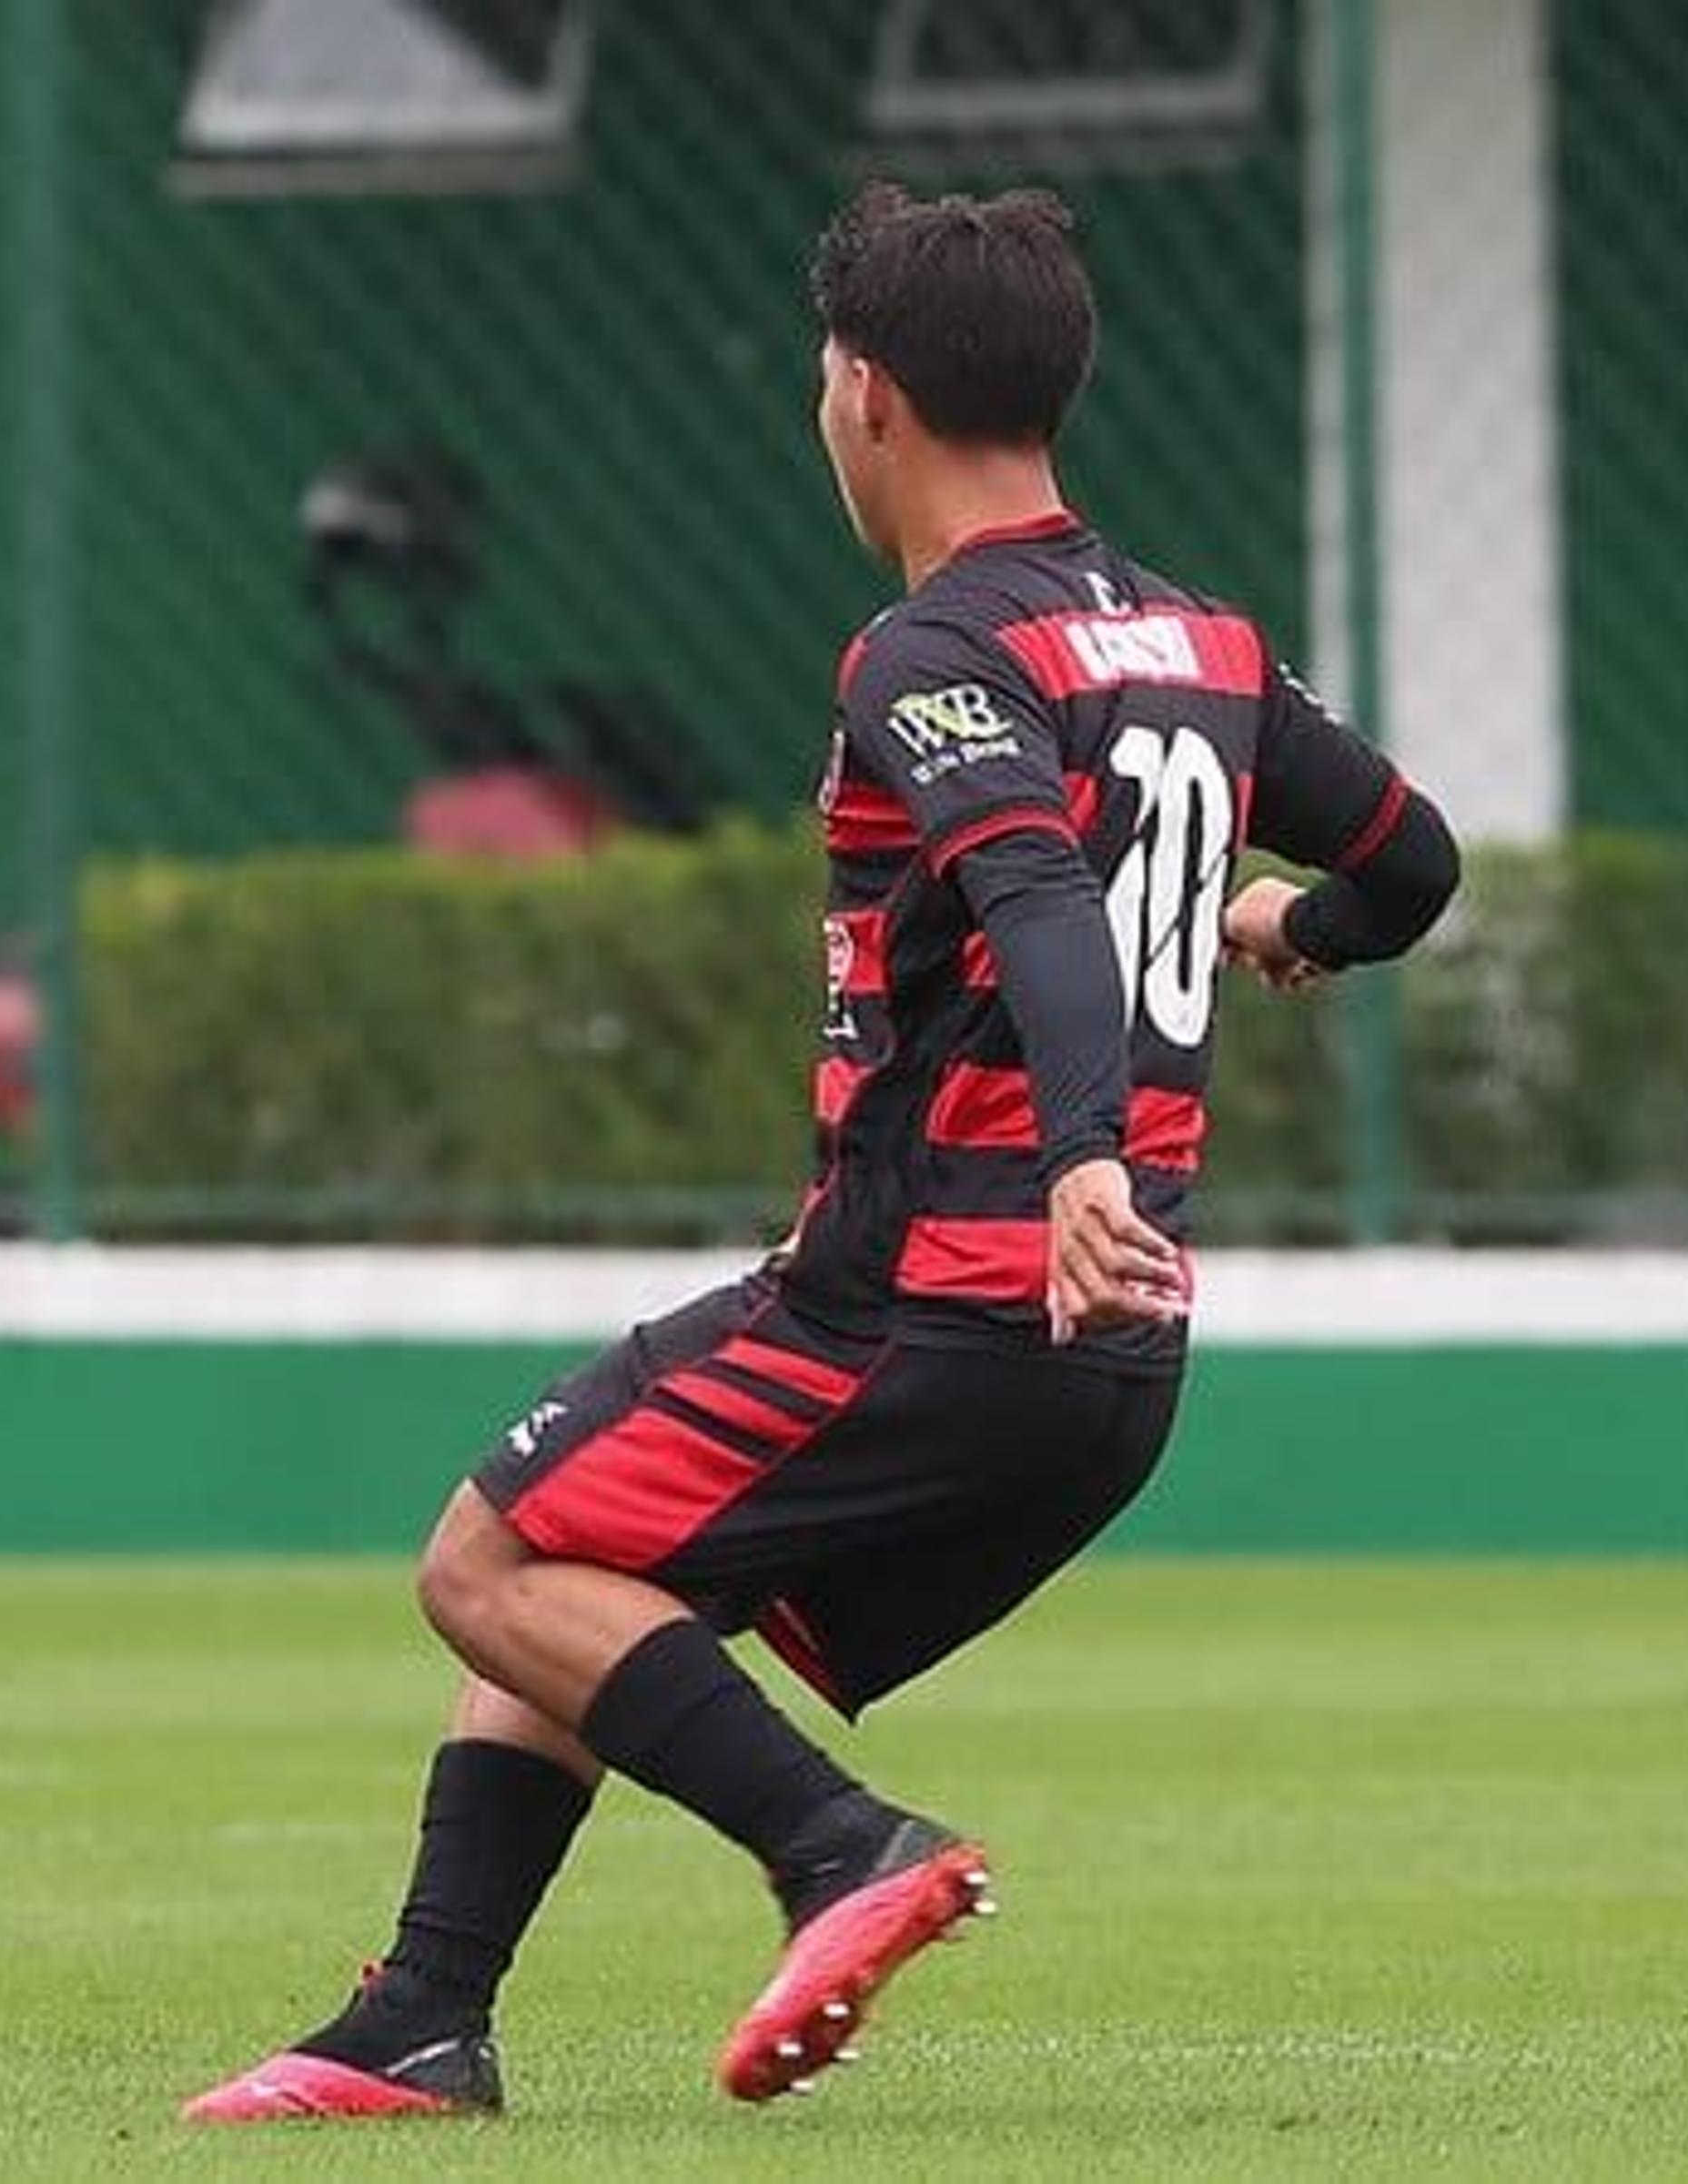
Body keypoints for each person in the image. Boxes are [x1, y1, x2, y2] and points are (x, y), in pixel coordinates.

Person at [184, 182, 1460, 2120]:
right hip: (1103, 1359)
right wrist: (1296, 929)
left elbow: (1032, 894)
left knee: (493, 1556)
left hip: (935, 1294)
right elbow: (1412, 860)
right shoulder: (1200, 640)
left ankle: (838, 1853)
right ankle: (421, 2021)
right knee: (599, 1552)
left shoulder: (928, 651)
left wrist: (1081, 1156)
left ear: (864, 393)